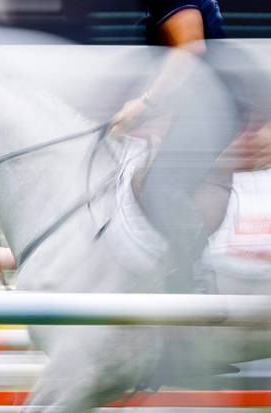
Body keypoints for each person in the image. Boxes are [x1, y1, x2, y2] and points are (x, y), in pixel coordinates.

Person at [109, 0, 271, 292]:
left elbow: (190, 50)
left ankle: (194, 279)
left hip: (213, 105)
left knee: (161, 186)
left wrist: (144, 105)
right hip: (204, 104)